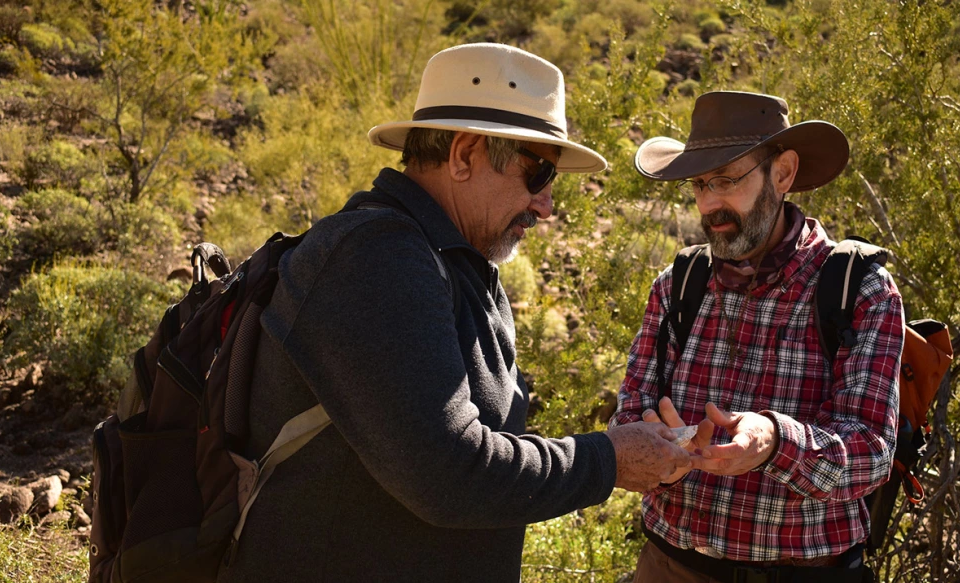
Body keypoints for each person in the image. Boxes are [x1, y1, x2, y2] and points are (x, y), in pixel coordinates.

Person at [219, 43, 693, 582]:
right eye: (537, 174)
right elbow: (448, 473)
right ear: (463, 155)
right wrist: (608, 461)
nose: (546, 205)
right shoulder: (375, 257)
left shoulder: (454, 261)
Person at [612, 91, 905, 582]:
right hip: (669, 567)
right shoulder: (678, 285)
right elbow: (628, 412)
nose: (709, 204)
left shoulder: (859, 290)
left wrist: (774, 444)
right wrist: (657, 447)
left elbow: (872, 451)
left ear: (784, 174)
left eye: (726, 180)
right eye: (699, 184)